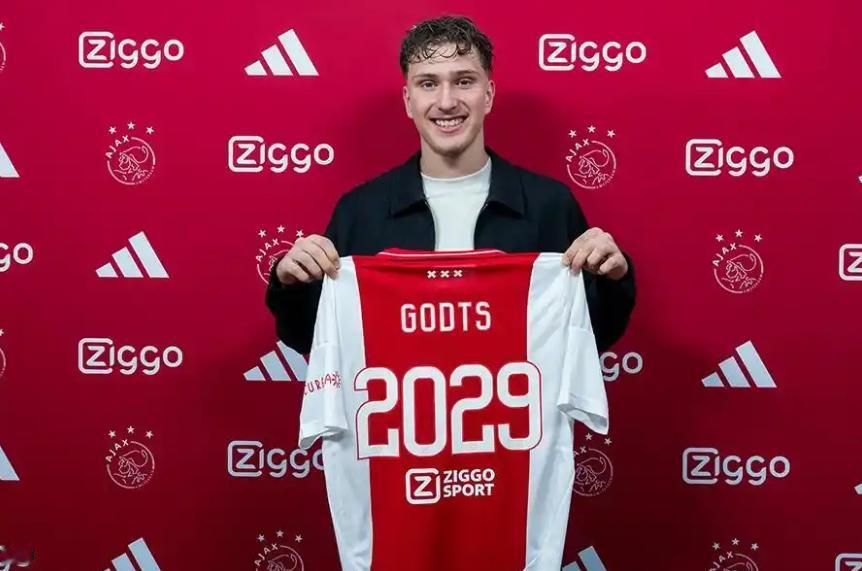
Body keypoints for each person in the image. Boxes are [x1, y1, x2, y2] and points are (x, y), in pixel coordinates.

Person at [266, 15, 635, 353]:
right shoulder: (360, 211)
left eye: (464, 81)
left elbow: (591, 333)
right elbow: (313, 338)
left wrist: (613, 279)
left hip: (515, 404)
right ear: (408, 100)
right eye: (428, 83)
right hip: (396, 406)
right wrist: (291, 284)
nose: (446, 101)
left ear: (488, 95)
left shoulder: (548, 204)